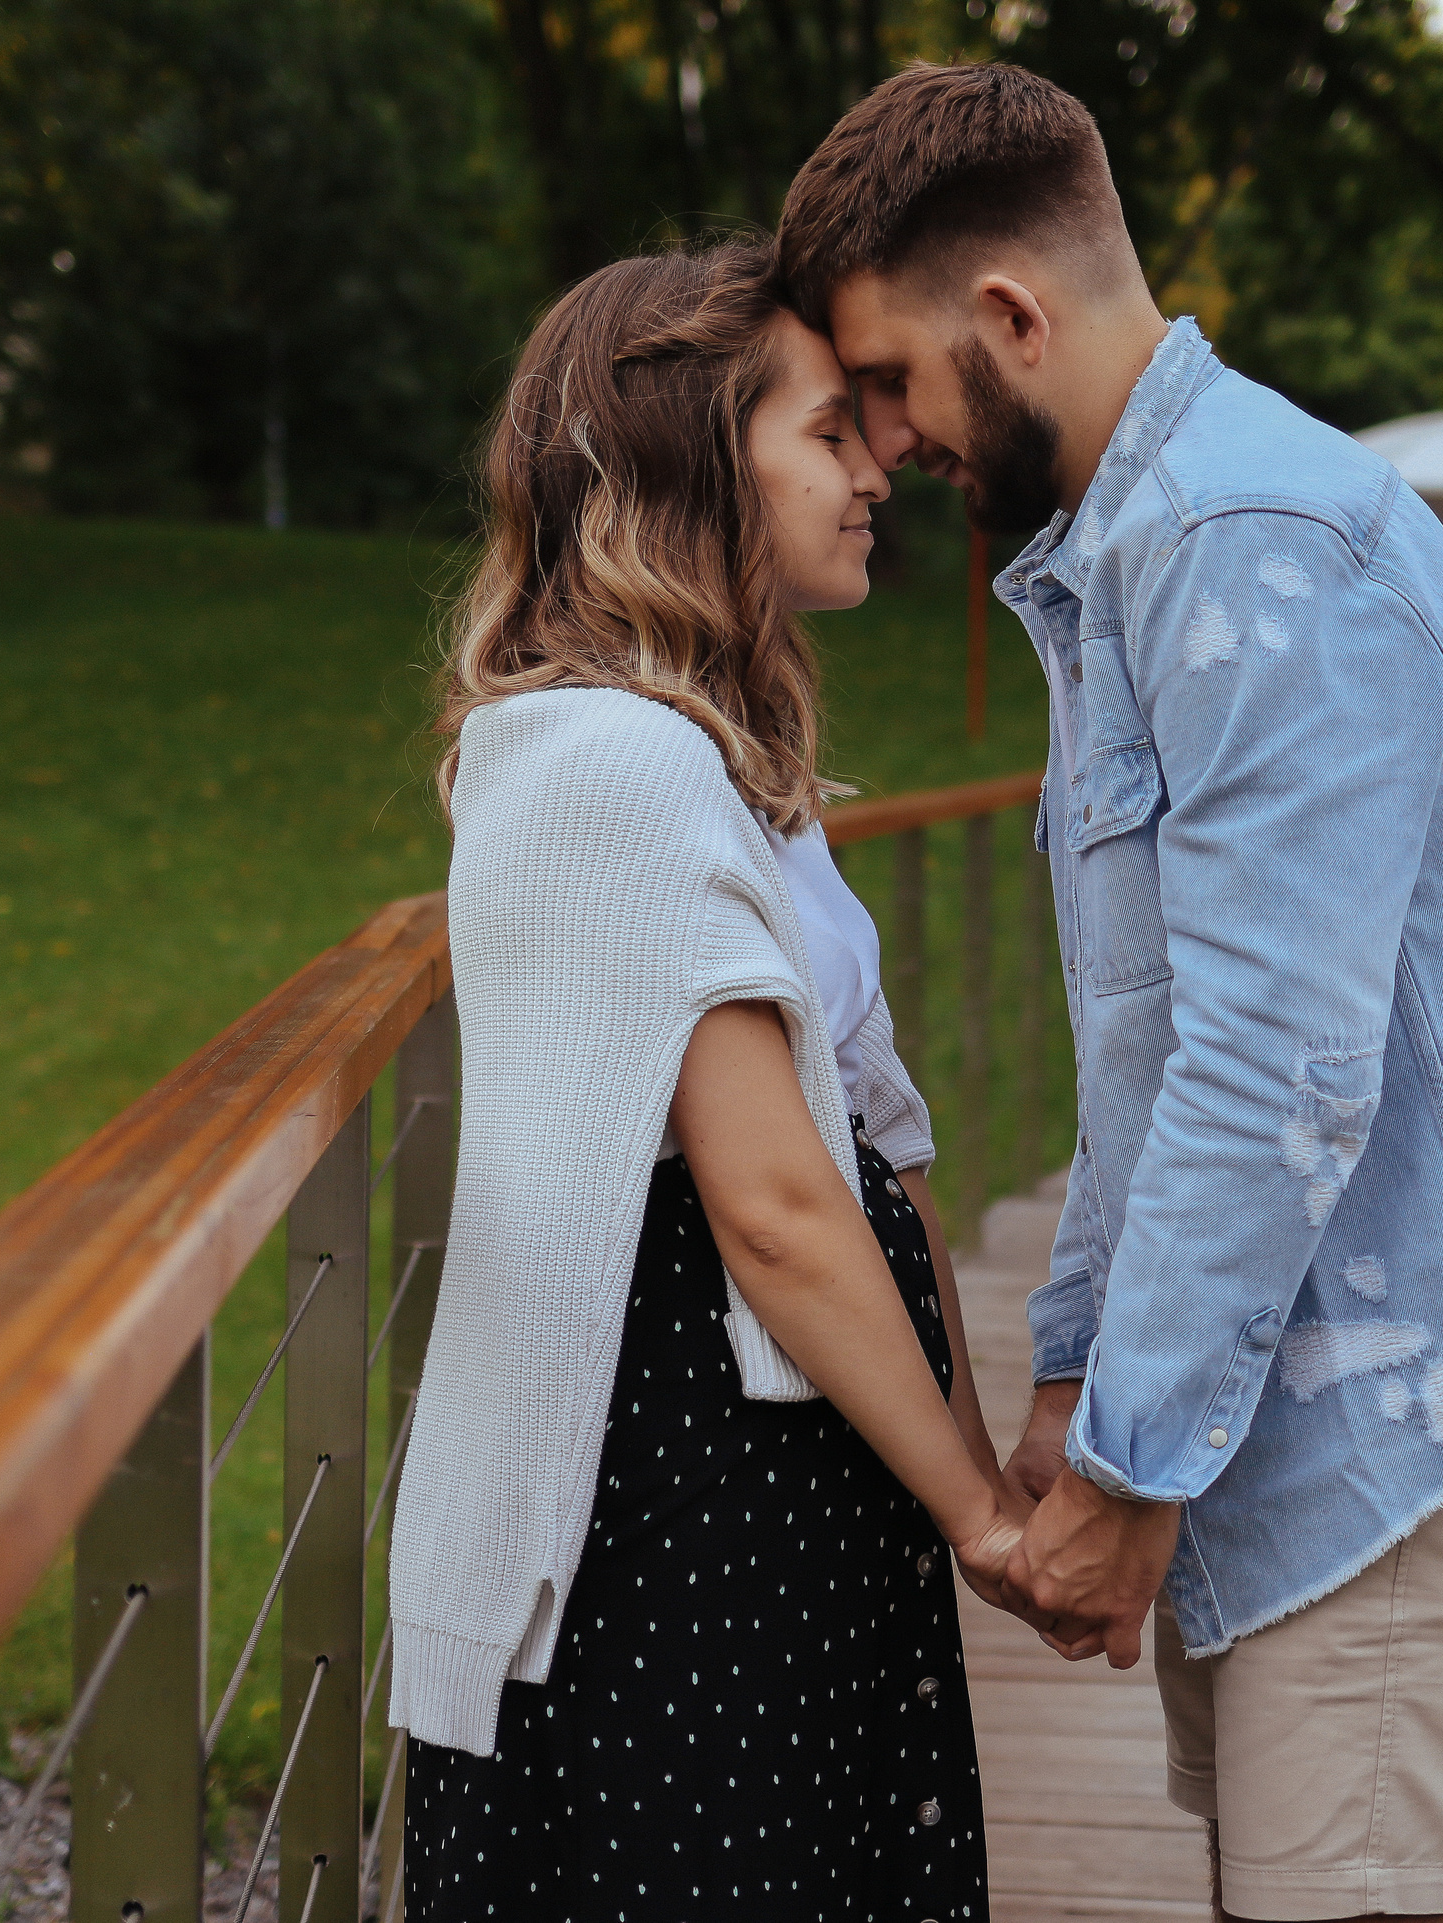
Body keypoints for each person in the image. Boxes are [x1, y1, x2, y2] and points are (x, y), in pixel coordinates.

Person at [777, 64, 1443, 1923]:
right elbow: (1159, 1042)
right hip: (1284, 1422)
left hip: (1402, 1434)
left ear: (1011, 315)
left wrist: (1124, 1468)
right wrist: (1080, 1378)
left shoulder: (1248, 543)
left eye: (889, 379)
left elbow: (1281, 1069)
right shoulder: (1135, 558)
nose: (883, 440)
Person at [386, 236, 1026, 1921]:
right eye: (826, 431)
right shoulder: (613, 764)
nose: (876, 467)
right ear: (690, 462)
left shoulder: (717, 769)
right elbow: (777, 1204)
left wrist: (959, 1462)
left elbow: (872, 1147)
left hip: (786, 1473)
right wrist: (980, 1516)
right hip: (684, 1524)